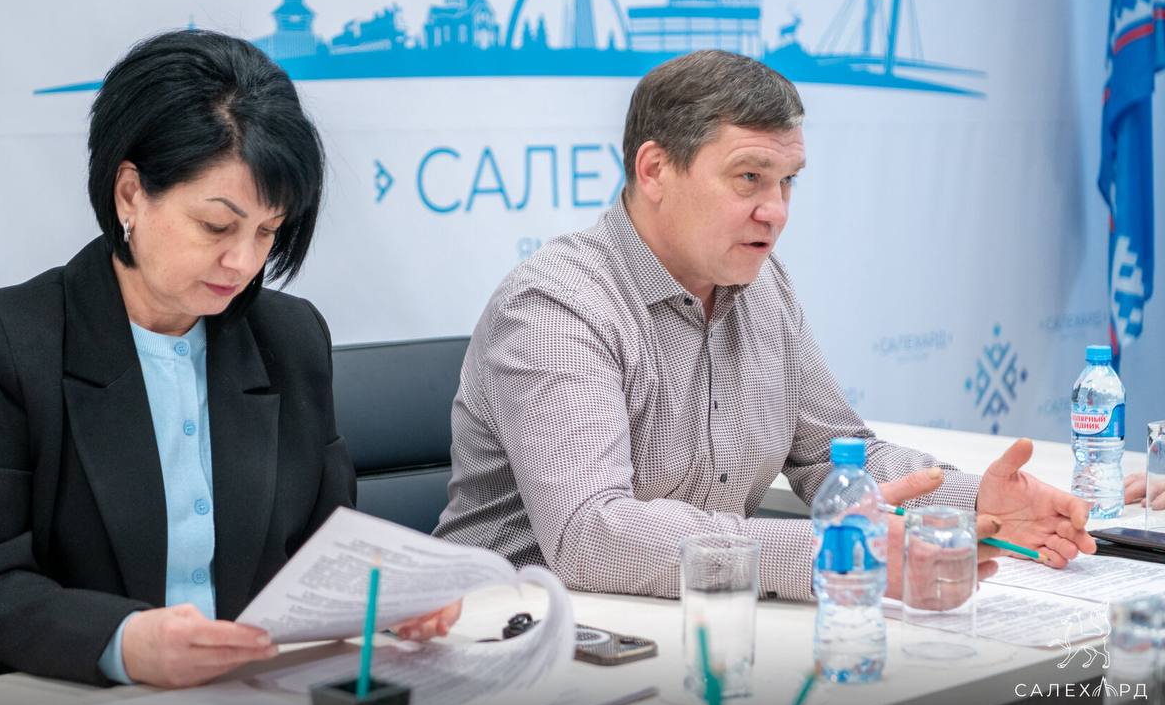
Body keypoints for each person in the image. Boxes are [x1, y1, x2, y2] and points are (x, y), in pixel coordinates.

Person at [433, 49, 1097, 602]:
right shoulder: (557, 305)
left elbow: (835, 455)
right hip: (514, 632)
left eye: (787, 181)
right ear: (655, 170)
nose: (775, 211)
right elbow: (590, 534)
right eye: (749, 178)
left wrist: (975, 502)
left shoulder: (761, 285)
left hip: (695, 622)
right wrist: (824, 554)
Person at [0, 30, 456, 689]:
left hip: (259, 701)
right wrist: (122, 642)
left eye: (267, 231)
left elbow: (326, 549)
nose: (244, 261)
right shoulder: (5, 343)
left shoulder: (290, 338)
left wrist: (389, 593)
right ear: (130, 195)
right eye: (216, 226)